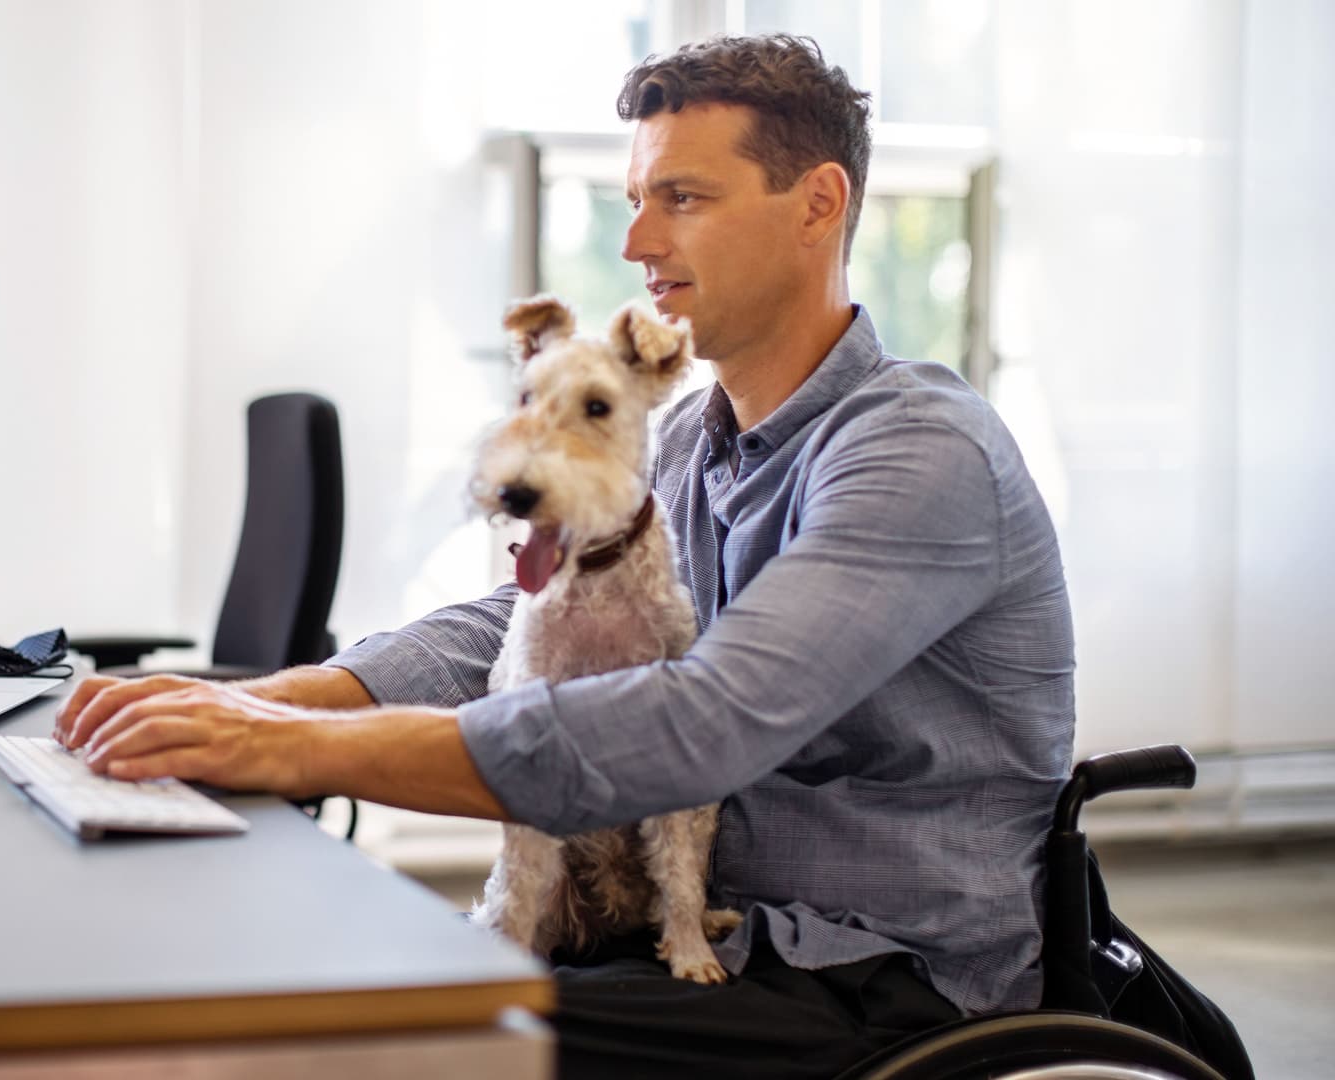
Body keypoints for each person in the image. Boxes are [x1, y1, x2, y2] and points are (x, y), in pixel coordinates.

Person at [58, 33, 1074, 1080]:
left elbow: (702, 721)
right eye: (635, 199)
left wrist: (293, 752)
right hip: (698, 930)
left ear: (818, 203)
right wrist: (271, 703)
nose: (637, 241)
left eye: (683, 198)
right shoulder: (683, 440)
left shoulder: (919, 451)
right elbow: (525, 620)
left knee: (365, 1041)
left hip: (871, 973)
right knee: (305, 977)